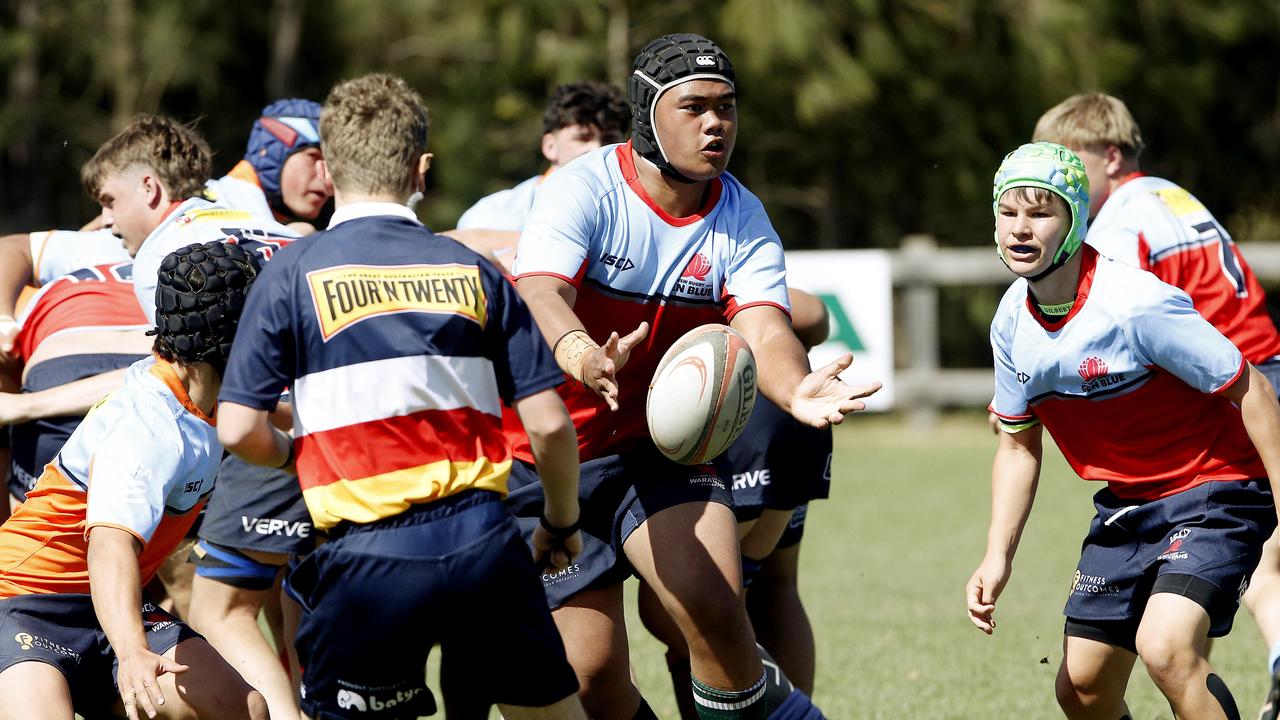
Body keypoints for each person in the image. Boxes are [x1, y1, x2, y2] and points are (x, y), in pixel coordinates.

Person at [504, 33, 877, 719]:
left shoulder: (741, 213)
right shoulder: (584, 190)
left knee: (712, 613)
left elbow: (765, 325)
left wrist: (794, 386)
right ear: (649, 115)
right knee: (588, 679)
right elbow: (540, 294)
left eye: (727, 108)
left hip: (660, 451)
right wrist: (584, 353)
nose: (716, 124)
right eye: (695, 107)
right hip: (550, 457)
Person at [216, 72, 588, 720]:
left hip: (365, 562)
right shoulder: (473, 269)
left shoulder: (290, 273)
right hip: (485, 544)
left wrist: (296, 456)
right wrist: (560, 520)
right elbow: (551, 426)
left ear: (329, 170)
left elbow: (236, 428)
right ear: (422, 169)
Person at [967, 141, 1280, 719]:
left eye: (1040, 212)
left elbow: (1252, 388)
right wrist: (997, 555)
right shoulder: (1011, 320)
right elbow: (1017, 445)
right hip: (1126, 509)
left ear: (1075, 219)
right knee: (1081, 688)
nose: (1019, 228)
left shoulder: (1136, 305)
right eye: (1008, 212)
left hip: (1217, 492)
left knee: (1166, 647)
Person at [0, 241, 268, 720]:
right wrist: (131, 652)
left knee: (241, 707)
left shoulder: (200, 389)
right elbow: (109, 544)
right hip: (22, 603)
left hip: (114, 607)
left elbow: (275, 417)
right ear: (238, 340)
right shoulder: (150, 429)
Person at [637, 289, 834, 718]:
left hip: (723, 422)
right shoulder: (739, 239)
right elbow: (815, 317)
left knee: (684, 610)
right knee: (769, 586)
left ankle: (793, 714)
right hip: (790, 410)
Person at [449, 80, 630, 270]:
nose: (597, 148)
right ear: (550, 146)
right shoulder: (492, 214)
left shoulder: (636, 217)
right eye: (583, 138)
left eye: (609, 139)